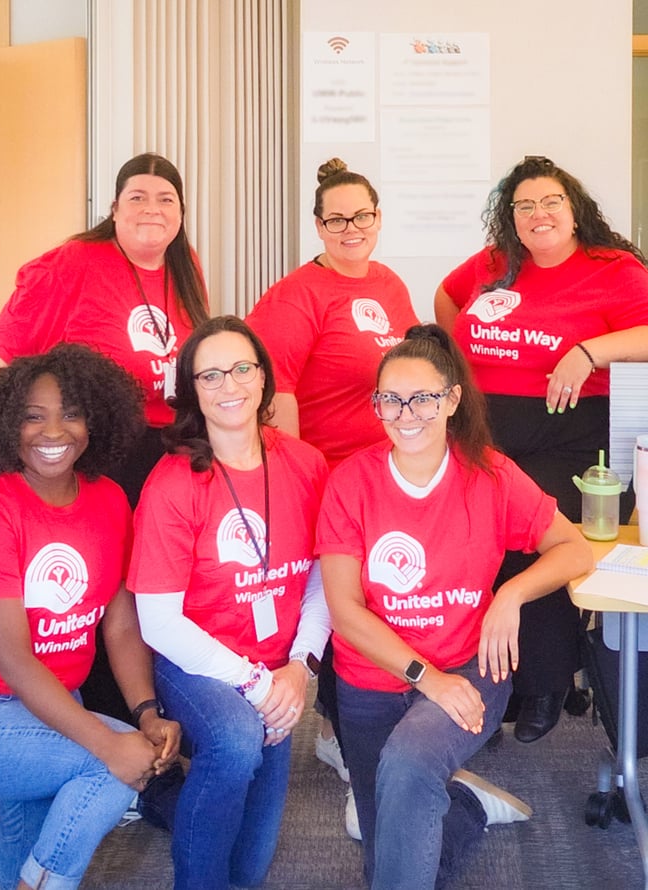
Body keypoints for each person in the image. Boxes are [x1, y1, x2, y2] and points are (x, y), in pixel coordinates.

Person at [316, 325, 593, 890]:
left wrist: (510, 594)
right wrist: (426, 678)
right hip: (370, 681)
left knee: (411, 764)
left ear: (451, 400)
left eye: (423, 397)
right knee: (386, 853)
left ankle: (446, 798)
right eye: (390, 400)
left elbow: (575, 548)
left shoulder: (490, 474)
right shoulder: (350, 482)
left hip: (470, 670)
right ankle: (462, 809)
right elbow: (345, 612)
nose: (406, 413)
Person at [0, 343, 181, 890]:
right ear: (6, 426)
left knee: (21, 855)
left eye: (71, 413)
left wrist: (144, 711)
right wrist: (112, 741)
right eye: (33, 416)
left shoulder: (110, 500)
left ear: (95, 420)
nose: (54, 432)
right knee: (113, 766)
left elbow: (119, 625)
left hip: (52, 708)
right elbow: (15, 661)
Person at [0, 152, 209, 721]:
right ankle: (105, 719)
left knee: (153, 586)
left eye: (165, 199)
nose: (151, 209)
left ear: (181, 213)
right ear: (113, 209)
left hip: (166, 452)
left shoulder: (187, 268)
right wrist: (54, 425)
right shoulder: (77, 261)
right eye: (136, 197)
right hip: (101, 453)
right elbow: (11, 344)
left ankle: (155, 709)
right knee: (106, 589)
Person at [434, 155, 648, 742]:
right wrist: (464, 357)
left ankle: (546, 682)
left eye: (550, 201)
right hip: (488, 431)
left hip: (573, 438)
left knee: (535, 534)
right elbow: (446, 296)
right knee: (472, 540)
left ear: (573, 210)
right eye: (523, 205)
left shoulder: (613, 268)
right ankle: (494, 676)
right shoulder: (496, 264)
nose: (537, 213)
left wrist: (589, 352)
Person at [127, 316, 331, 890]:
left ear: (263, 378)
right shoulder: (172, 484)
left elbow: (322, 577)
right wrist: (259, 686)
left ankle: (166, 803)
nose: (230, 385)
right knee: (237, 743)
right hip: (195, 660)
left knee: (248, 868)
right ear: (192, 391)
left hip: (278, 665)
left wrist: (299, 667)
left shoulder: (305, 464)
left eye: (242, 368)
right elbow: (159, 622)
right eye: (210, 375)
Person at [246, 157, 420, 828]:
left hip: (382, 472)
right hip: (326, 478)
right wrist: (299, 479)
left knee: (374, 600)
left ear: (378, 219)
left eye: (363, 216)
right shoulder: (299, 294)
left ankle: (333, 731)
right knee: (345, 608)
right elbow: (274, 388)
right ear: (318, 225)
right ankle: (350, 737)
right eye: (337, 218)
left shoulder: (389, 282)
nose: (352, 228)